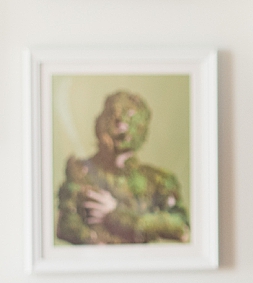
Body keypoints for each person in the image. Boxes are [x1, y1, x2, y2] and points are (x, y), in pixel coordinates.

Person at [56, 90, 189, 244]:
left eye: (130, 116)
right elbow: (65, 225)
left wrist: (116, 215)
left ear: (141, 127)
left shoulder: (159, 179)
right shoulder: (81, 171)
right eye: (112, 115)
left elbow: (181, 228)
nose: (120, 122)